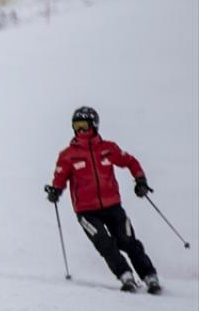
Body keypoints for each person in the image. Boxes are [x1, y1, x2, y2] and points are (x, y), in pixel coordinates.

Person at [45, 106, 162, 294]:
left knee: (128, 240)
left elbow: (130, 161)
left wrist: (140, 180)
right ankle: (125, 276)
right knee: (104, 243)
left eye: (84, 125)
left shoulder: (108, 149)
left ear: (94, 125)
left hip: (113, 206)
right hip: (86, 212)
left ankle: (150, 276)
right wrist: (55, 191)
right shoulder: (68, 155)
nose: (80, 130)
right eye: (76, 125)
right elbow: (59, 178)